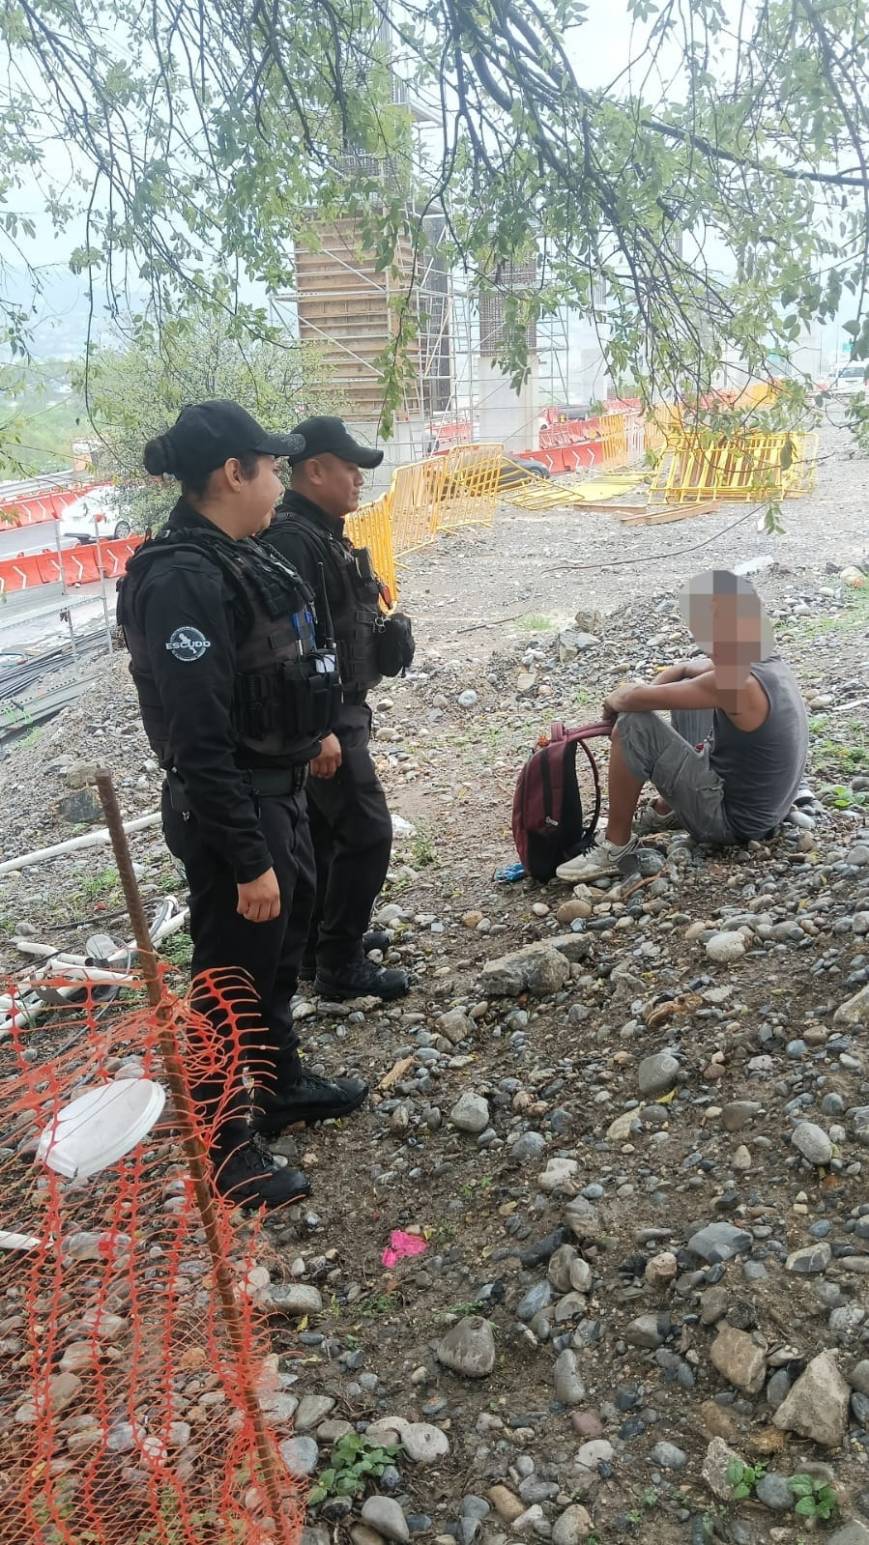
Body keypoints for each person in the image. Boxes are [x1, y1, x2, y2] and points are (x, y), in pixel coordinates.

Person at [116, 401, 368, 1210]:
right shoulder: (183, 578)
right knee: (229, 979)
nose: (277, 482)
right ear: (234, 473)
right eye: (269, 466)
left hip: (277, 793)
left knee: (278, 954)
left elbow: (264, 681)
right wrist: (248, 856)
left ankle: (281, 1083)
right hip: (232, 813)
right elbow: (198, 736)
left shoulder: (234, 555)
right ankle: (225, 1147)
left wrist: (309, 741)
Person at [261, 416, 411, 1002]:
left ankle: (320, 946)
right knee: (368, 831)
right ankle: (339, 964)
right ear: (314, 470)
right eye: (349, 469)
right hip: (326, 715)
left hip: (338, 709)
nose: (358, 481)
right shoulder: (294, 540)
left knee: (325, 834)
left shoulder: (320, 533)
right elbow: (293, 645)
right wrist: (320, 726)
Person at [556, 568, 809, 882]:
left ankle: (615, 846)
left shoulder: (736, 682)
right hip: (766, 808)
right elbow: (686, 669)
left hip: (734, 823)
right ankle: (668, 807)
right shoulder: (761, 658)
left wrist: (620, 703)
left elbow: (632, 702)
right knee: (683, 692)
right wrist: (649, 688)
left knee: (634, 725)